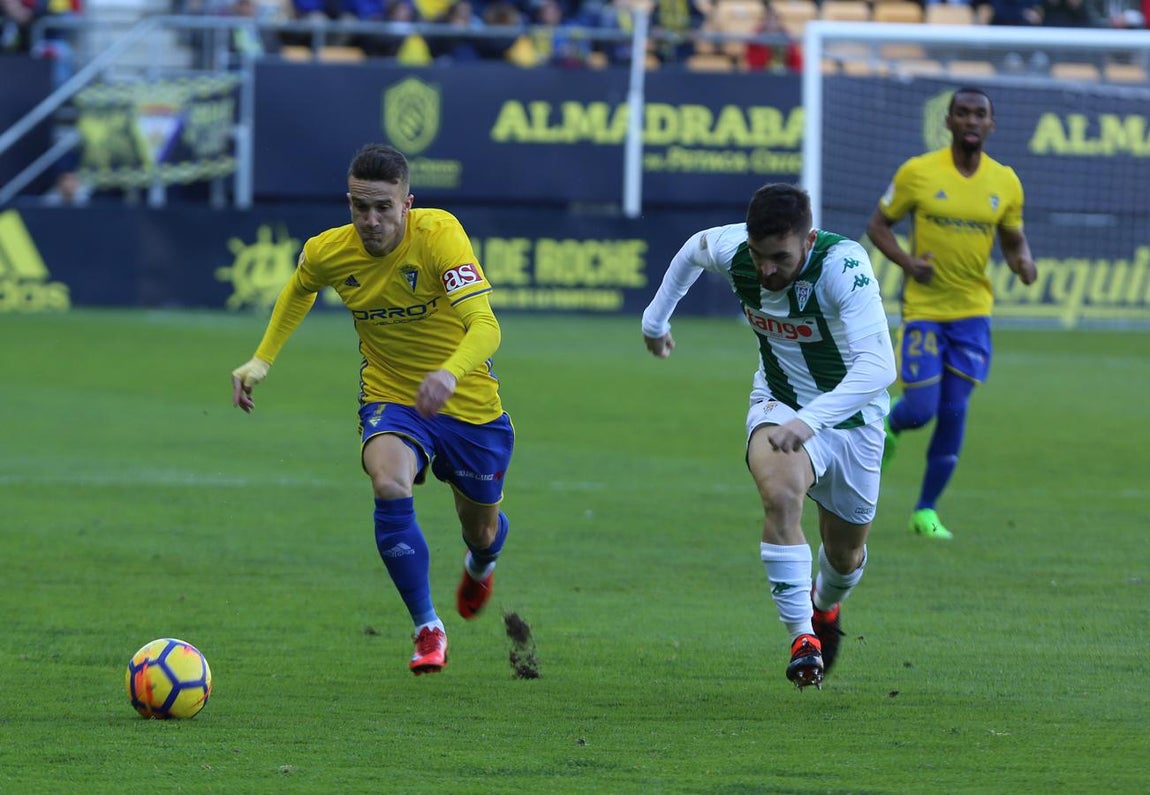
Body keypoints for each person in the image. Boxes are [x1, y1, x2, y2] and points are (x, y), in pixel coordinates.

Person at [230, 144, 514, 676]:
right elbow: (299, 290)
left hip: (468, 402)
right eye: (361, 207)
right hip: (391, 396)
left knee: (480, 528)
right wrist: (261, 359)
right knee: (388, 481)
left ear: (408, 203)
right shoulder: (328, 251)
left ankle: (483, 561)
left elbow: (486, 326)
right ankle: (428, 627)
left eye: (384, 207)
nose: (371, 220)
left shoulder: (439, 236)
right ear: (349, 202)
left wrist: (449, 373)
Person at [642, 183, 896, 689]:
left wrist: (810, 421)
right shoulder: (737, 249)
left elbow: (879, 366)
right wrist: (655, 319)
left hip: (852, 421)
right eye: (759, 256)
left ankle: (825, 605)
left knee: (844, 557)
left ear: (808, 240)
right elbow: (694, 249)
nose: (766, 271)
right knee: (781, 497)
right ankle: (803, 639)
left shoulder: (844, 266)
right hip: (777, 406)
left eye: (780, 257)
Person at [866, 87, 1037, 541]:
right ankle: (891, 424)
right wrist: (907, 264)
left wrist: (1023, 262)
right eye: (963, 113)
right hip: (923, 310)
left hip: (973, 313)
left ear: (991, 124)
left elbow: (1013, 237)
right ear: (949, 122)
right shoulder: (918, 173)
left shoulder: (1006, 182)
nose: (971, 121)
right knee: (921, 410)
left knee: (955, 411)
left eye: (980, 114)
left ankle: (925, 511)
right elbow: (878, 225)